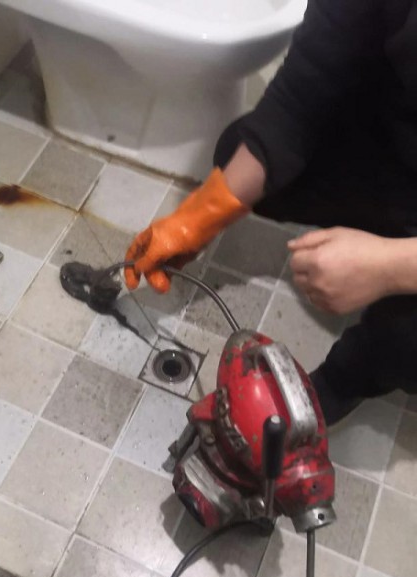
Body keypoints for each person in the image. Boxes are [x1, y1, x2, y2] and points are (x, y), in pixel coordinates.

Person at [124, 0, 417, 426]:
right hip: (396, 153)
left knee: (406, 338)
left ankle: (342, 383)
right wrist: (200, 217)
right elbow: (301, 95)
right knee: (238, 154)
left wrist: (390, 267)